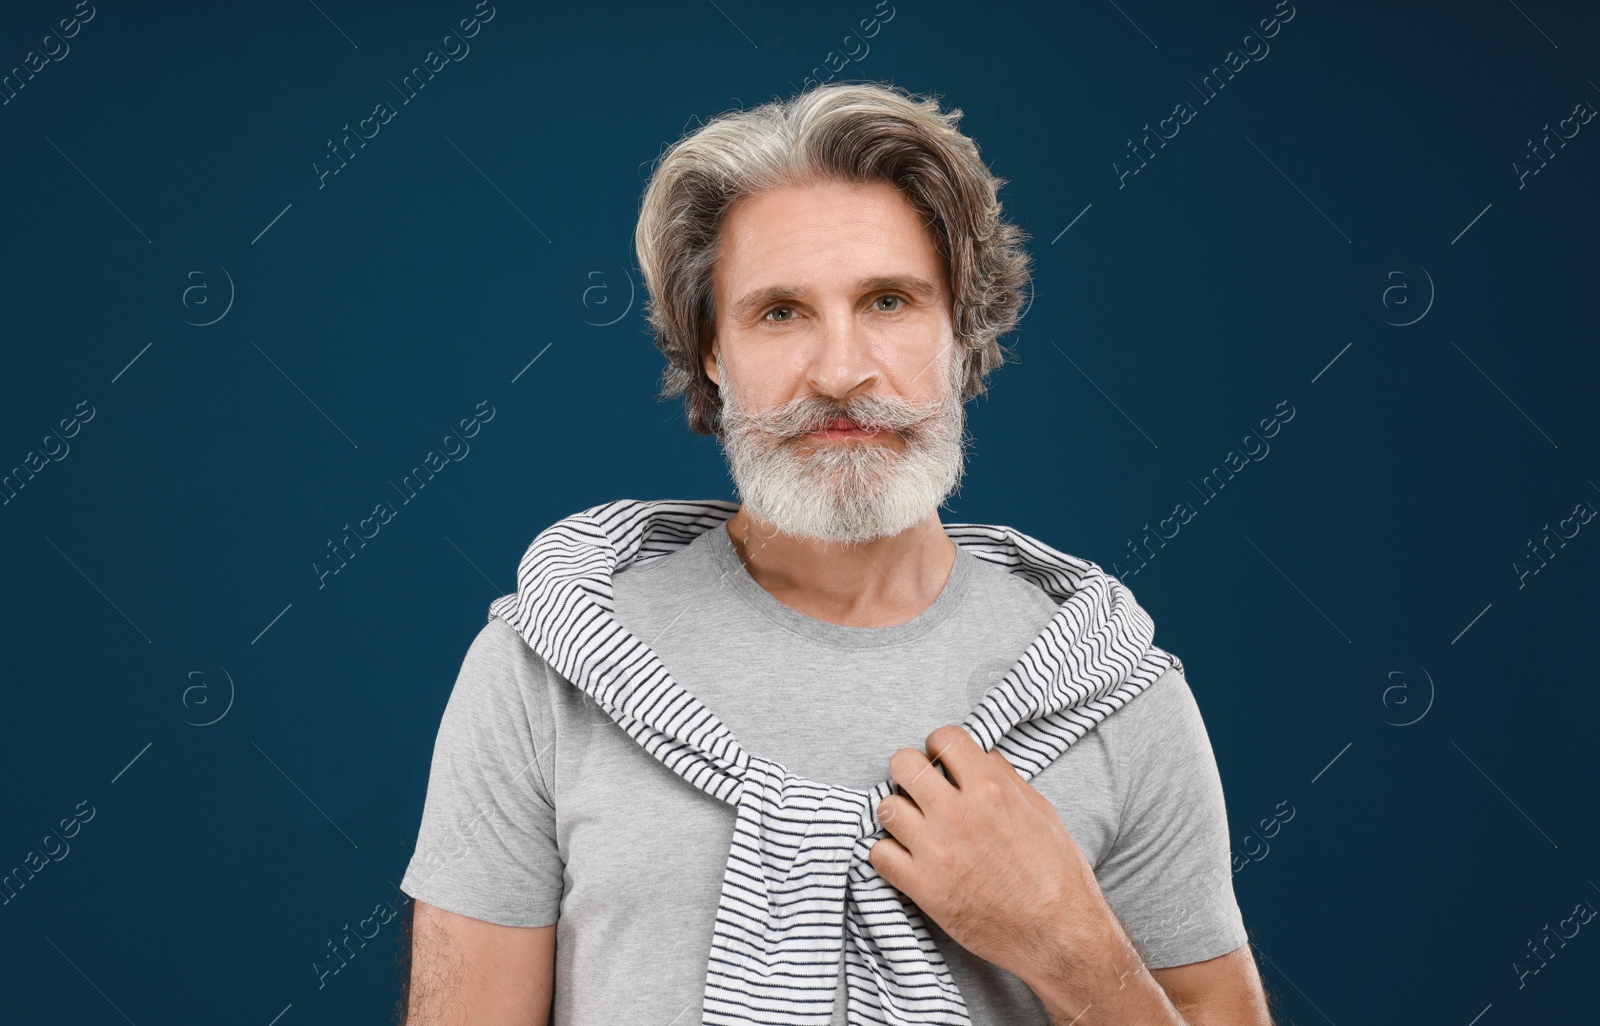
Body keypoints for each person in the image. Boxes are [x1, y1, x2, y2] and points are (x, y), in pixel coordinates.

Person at [397, 80, 1275, 1025]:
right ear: (711, 351)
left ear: (960, 333)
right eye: (779, 312)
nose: (841, 370)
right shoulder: (544, 672)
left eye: (889, 300)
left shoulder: (1116, 693)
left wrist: (1074, 952)